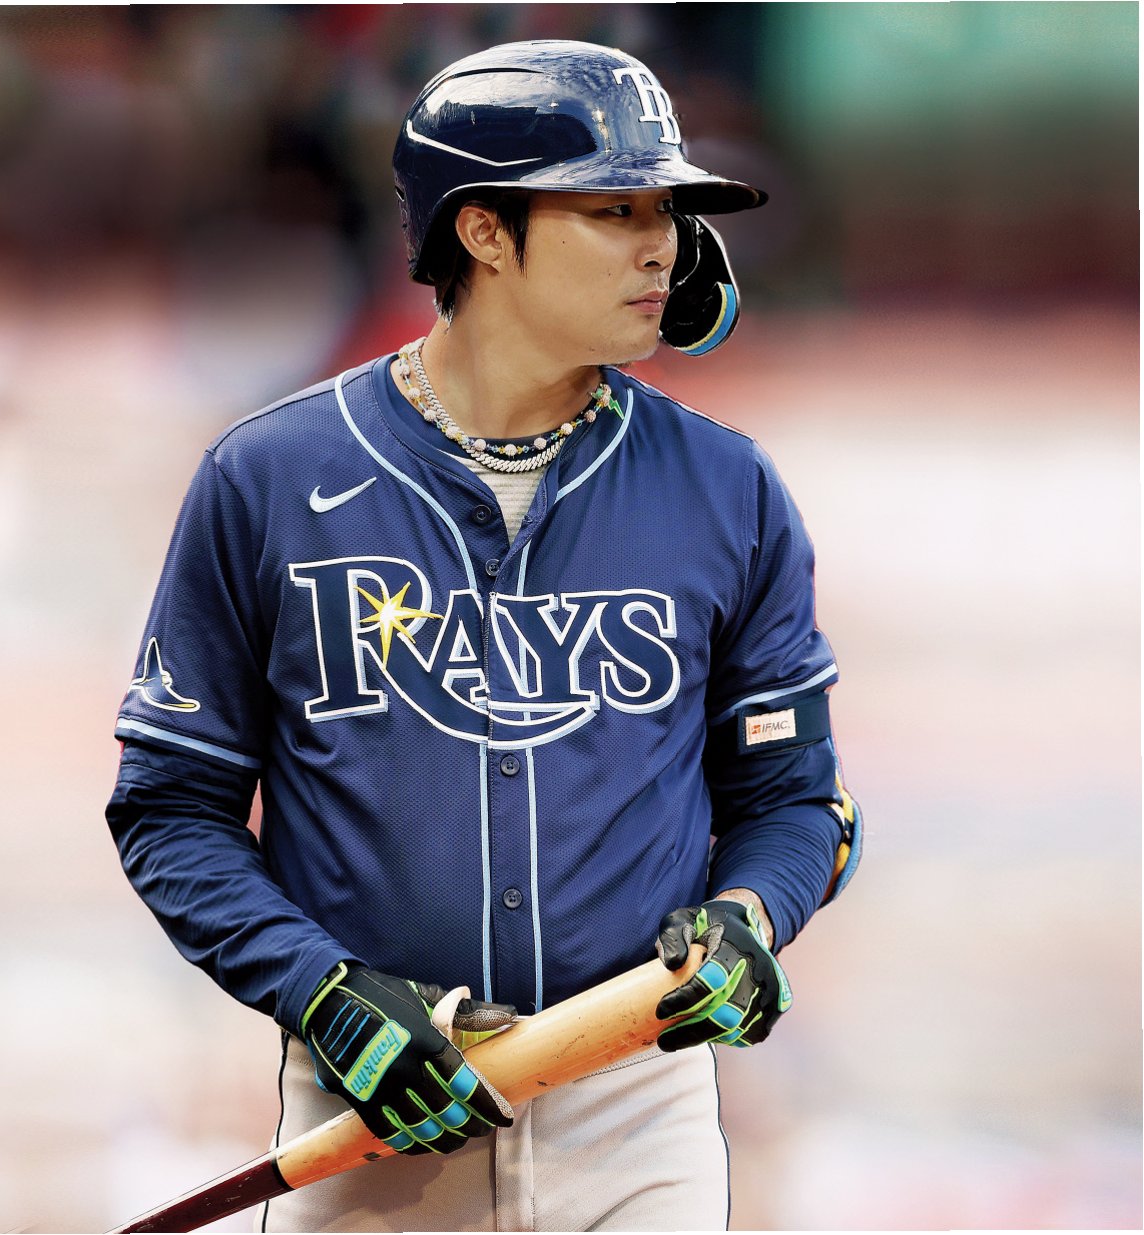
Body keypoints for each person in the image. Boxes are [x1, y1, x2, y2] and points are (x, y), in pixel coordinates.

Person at [107, 38, 862, 1233]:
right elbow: (169, 809)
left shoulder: (728, 488)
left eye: (665, 212)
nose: (662, 247)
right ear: (483, 232)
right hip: (371, 1122)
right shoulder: (266, 478)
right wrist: (324, 993)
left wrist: (749, 917)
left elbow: (797, 802)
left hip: (638, 1120)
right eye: (614, 209)